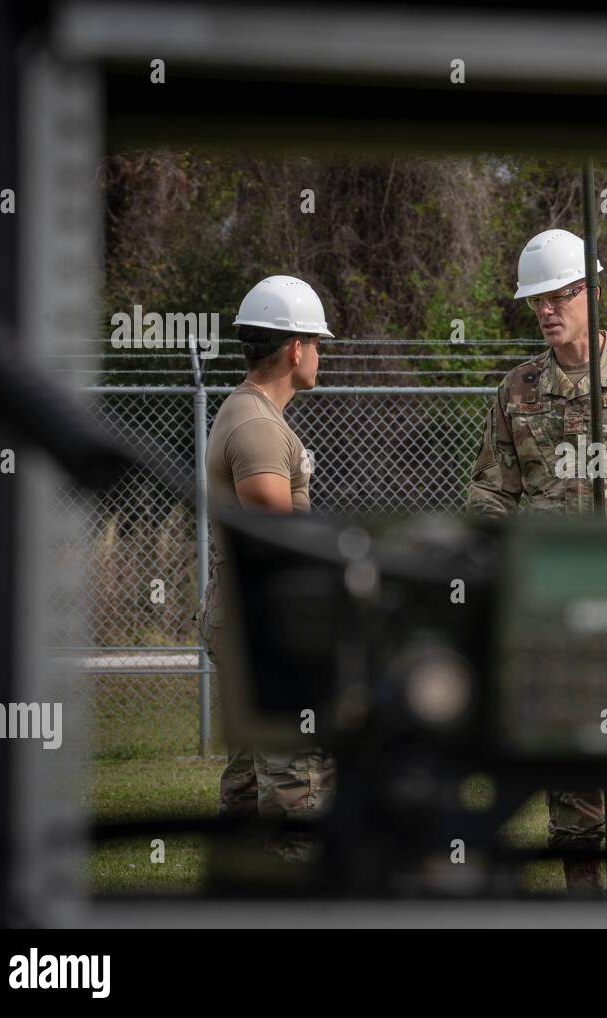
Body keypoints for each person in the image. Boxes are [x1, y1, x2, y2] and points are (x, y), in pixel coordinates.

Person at [467, 228, 607, 894]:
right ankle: (586, 904)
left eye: (558, 297)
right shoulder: (517, 390)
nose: (546, 312)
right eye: (536, 303)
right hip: (558, 615)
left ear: (591, 293)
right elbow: (492, 495)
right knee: (575, 790)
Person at [196, 274, 336, 861]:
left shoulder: (250, 412)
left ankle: (241, 896)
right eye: (317, 342)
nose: (319, 355)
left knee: (250, 776)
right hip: (267, 621)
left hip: (248, 613)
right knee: (295, 776)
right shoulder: (256, 425)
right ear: (296, 348)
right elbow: (277, 540)